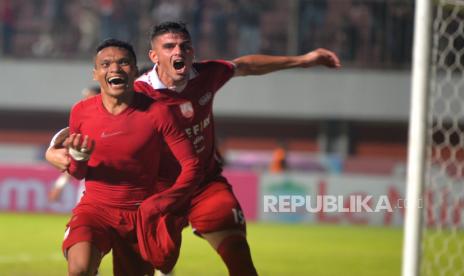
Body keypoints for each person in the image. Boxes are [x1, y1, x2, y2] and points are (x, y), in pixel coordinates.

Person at [46, 21, 341, 276]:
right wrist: (53, 149)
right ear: (153, 56)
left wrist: (304, 59)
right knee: (158, 261)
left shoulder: (206, 75)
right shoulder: (139, 92)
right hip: (157, 193)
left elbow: (246, 65)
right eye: (170, 47)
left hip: (203, 185)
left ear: (193, 52)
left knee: (239, 255)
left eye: (185, 47)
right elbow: (94, 122)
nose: (178, 53)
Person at [58, 38, 201, 276]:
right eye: (106, 64)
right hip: (95, 210)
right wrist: (79, 159)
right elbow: (77, 173)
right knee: (79, 270)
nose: (114, 69)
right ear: (96, 74)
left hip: (140, 217)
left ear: (135, 71)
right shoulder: (81, 112)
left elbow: (192, 165)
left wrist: (163, 203)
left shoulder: (158, 113)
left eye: (123, 63)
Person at [48, 86, 101, 203]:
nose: (86, 101)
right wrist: (60, 185)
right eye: (85, 97)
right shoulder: (82, 124)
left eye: (89, 97)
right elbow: (74, 160)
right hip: (90, 186)